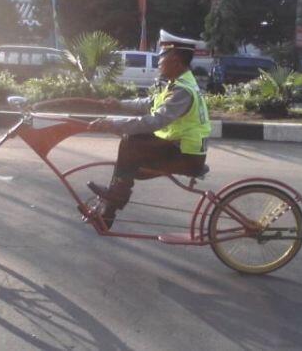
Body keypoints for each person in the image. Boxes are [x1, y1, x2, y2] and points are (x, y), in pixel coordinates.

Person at [87, 39, 211, 229]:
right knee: (131, 144)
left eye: (162, 59)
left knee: (131, 142)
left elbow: (155, 121)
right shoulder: (177, 84)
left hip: (186, 154)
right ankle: (110, 206)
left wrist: (113, 124)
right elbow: (148, 103)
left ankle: (113, 202)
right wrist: (119, 104)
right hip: (179, 147)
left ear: (176, 62)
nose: (158, 63)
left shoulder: (182, 91)